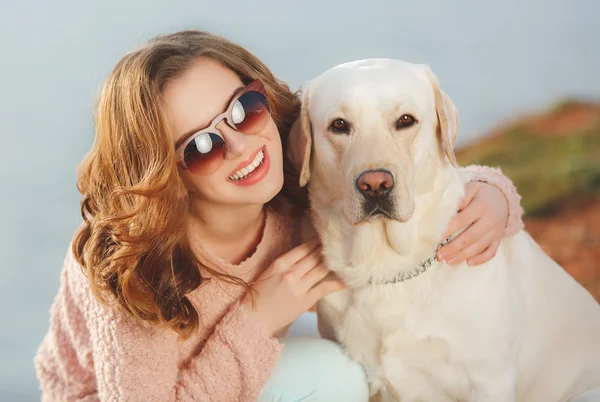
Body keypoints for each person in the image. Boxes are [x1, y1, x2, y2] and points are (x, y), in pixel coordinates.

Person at [34, 30, 525, 402]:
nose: (243, 146)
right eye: (202, 146)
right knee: (332, 377)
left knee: (347, 365)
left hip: (233, 373)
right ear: (168, 175)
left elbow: (378, 171)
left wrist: (492, 194)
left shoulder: (295, 183)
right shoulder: (137, 268)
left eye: (244, 109)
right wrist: (257, 317)